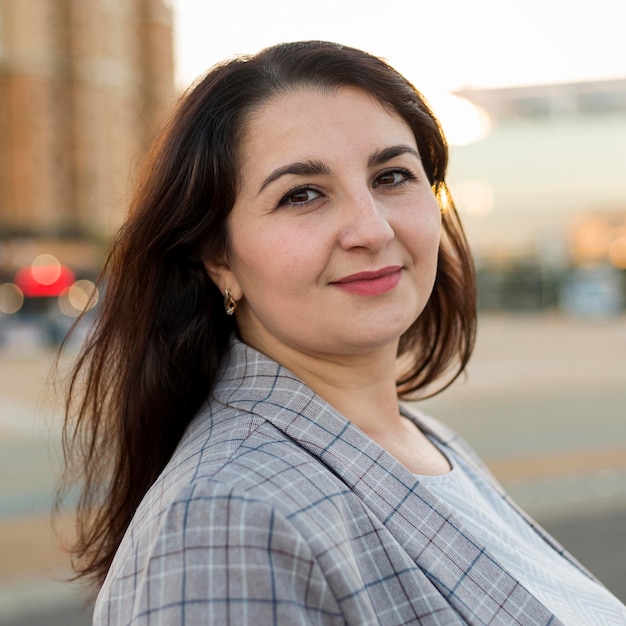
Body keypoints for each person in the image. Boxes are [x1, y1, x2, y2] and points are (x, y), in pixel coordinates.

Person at [58, 41, 626, 625]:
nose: (372, 229)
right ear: (218, 256)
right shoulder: (225, 520)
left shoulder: (420, 439)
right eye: (302, 194)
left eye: (392, 176)